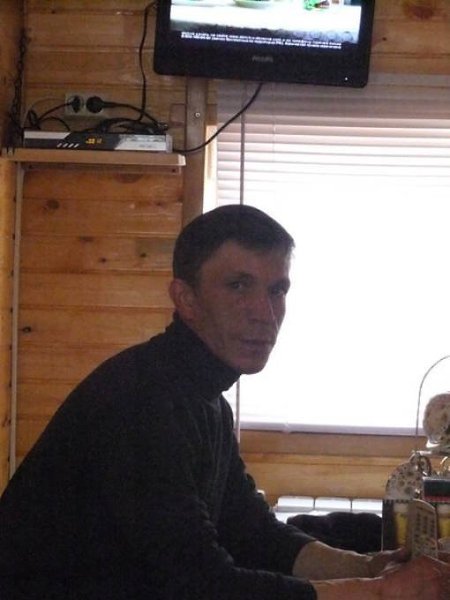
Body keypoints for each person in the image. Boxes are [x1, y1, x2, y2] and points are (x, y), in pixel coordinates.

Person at [0, 204, 449, 599]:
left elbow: (250, 532)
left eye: (277, 290)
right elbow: (200, 587)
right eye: (238, 286)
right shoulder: (139, 400)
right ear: (186, 299)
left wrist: (370, 568)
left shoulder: (203, 397)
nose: (265, 313)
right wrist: (378, 593)